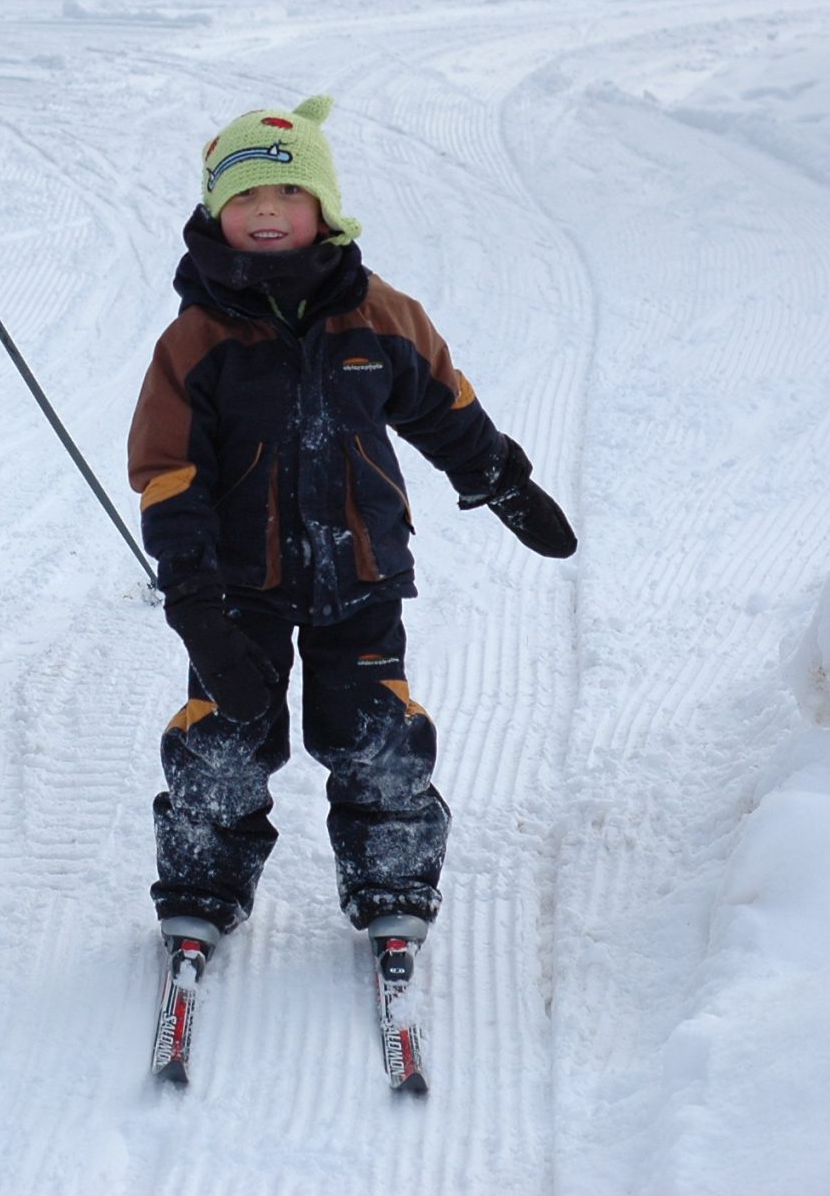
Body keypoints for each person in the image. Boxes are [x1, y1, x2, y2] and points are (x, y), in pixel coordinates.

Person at [124, 95, 576, 980]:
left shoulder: (379, 315)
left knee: (378, 735)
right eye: (246, 197)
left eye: (288, 194)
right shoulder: (195, 341)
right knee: (223, 739)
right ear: (216, 211)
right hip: (241, 588)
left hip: (362, 573)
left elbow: (443, 405)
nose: (267, 212)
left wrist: (500, 478)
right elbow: (169, 473)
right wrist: (194, 601)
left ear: (325, 208)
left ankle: (392, 880)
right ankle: (203, 884)